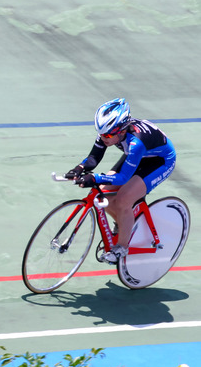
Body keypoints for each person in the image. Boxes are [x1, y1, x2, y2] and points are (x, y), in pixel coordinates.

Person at [64, 98, 176, 263]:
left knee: (123, 199)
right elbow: (94, 158)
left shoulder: (135, 143)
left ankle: (121, 248)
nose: (104, 138)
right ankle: (123, 221)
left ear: (122, 130)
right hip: (138, 156)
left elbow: (123, 177)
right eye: (101, 133)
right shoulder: (109, 131)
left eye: (108, 135)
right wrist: (79, 169)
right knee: (101, 192)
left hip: (160, 161)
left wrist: (94, 177)